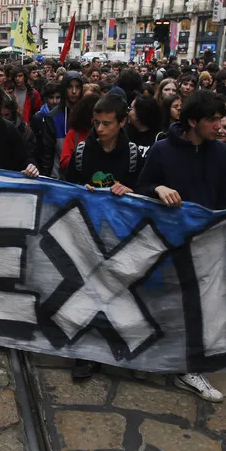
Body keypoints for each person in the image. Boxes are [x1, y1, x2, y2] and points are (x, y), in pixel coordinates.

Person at [136, 90, 226, 403]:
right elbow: (141, 188)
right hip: (166, 242)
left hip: (205, 243)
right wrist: (158, 188)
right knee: (161, 303)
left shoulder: (222, 153)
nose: (219, 126)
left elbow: (223, 203)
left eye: (221, 119)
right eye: (212, 119)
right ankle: (150, 357)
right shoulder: (162, 150)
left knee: (197, 307)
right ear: (193, 121)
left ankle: (189, 368)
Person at [65, 93, 146, 381]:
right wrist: (80, 189)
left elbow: (146, 190)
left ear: (122, 122)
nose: (99, 129)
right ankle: (86, 352)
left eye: (106, 124)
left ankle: (120, 345)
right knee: (88, 291)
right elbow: (66, 187)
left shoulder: (135, 155)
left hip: (123, 235)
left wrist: (132, 191)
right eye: (96, 123)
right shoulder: (82, 152)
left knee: (120, 292)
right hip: (88, 233)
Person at [39, 71, 84, 177]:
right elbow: (47, 153)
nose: (74, 91)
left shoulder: (87, 115)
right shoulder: (52, 117)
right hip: (58, 176)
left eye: (77, 87)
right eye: (70, 87)